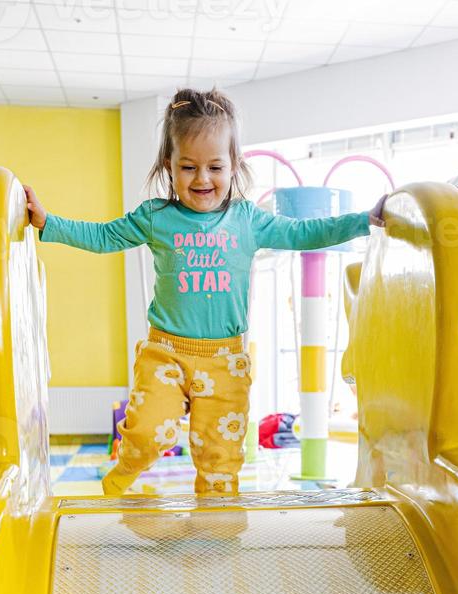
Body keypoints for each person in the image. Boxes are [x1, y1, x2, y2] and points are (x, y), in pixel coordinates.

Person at [26, 87, 382, 495]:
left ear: (233, 166)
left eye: (215, 167)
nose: (202, 179)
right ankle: (122, 474)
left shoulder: (248, 219)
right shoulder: (156, 217)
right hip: (167, 352)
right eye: (188, 167)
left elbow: (306, 232)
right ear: (170, 166)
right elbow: (105, 236)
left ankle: (218, 530)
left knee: (220, 459)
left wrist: (362, 220)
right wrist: (48, 223)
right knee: (148, 432)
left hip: (225, 360)